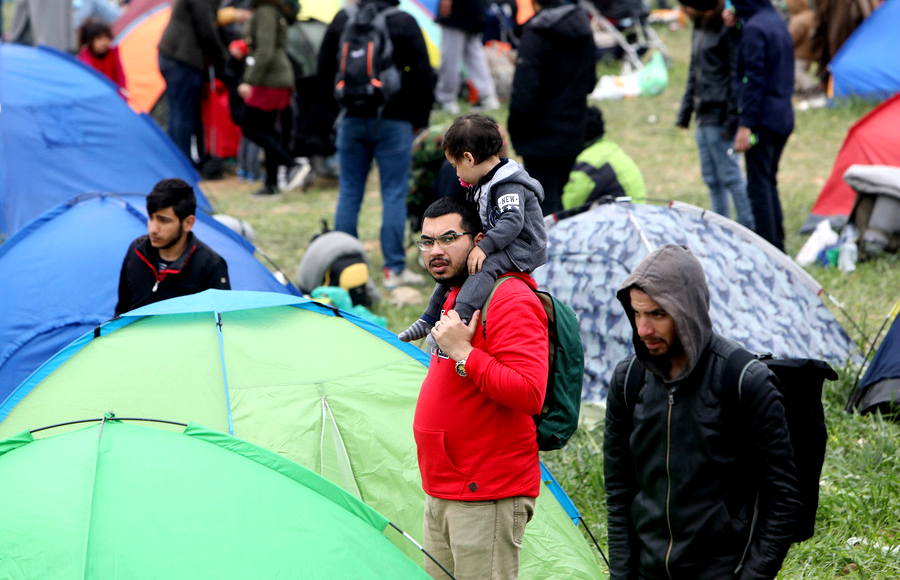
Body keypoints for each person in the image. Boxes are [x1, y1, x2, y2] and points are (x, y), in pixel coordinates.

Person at [603, 243, 801, 580]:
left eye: (657, 314)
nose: (643, 329)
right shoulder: (628, 380)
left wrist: (751, 575)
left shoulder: (743, 381)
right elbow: (620, 490)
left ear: (687, 310)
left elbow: (781, 497)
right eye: (637, 313)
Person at [412, 196, 548, 580]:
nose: (435, 251)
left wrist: (464, 353)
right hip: (443, 490)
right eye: (427, 241)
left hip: (486, 492)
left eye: (449, 238)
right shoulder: (456, 292)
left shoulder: (509, 297)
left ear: (480, 240)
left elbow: (529, 392)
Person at [317, 0, 436, 289]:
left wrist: (337, 110)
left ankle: (344, 266)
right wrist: (418, 118)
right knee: (393, 194)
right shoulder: (403, 21)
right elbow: (424, 73)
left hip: (351, 118)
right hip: (394, 119)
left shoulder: (343, 18)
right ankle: (393, 270)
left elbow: (323, 70)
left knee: (349, 193)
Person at [399, 114, 547, 344]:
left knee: (483, 266)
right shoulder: (483, 182)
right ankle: (429, 317)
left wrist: (484, 247)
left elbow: (512, 221)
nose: (457, 174)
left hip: (521, 246)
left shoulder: (508, 184)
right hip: (501, 241)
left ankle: (458, 319)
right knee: (457, 264)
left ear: (468, 158)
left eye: (455, 166)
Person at [507, 0, 596, 216]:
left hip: (540, 135)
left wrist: (516, 130)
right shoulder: (584, 28)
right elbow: (590, 81)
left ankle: (553, 249)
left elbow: (524, 93)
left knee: (544, 205)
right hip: (573, 129)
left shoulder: (536, 33)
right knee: (556, 197)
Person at [676, 1, 754, 230]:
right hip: (702, 114)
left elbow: (734, 76)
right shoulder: (699, 27)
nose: (685, 10)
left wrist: (732, 119)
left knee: (731, 176)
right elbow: (694, 70)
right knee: (711, 178)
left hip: (719, 115)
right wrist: (685, 111)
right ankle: (720, 229)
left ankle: (747, 229)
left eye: (687, 6)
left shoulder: (727, 29)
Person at [729, 0, 794, 252]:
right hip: (782, 115)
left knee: (758, 186)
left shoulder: (755, 29)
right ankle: (778, 245)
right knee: (768, 181)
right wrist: (735, 29)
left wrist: (746, 124)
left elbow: (752, 78)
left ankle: (768, 249)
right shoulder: (776, 20)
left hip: (763, 119)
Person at [115, 179, 230, 316]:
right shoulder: (136, 251)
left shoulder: (210, 265)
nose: (153, 229)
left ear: (188, 223)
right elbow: (122, 311)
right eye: (151, 218)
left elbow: (220, 325)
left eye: (163, 221)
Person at [157, 0, 250, 164]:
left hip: (174, 56)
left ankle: (177, 160)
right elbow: (207, 29)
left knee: (177, 111)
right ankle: (183, 162)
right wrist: (224, 57)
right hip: (182, 58)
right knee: (183, 114)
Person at [235, 0, 311, 196]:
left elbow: (266, 51)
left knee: (249, 125)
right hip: (274, 77)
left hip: (270, 78)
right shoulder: (268, 9)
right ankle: (271, 183)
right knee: (267, 131)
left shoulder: (266, 10)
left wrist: (248, 80)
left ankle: (292, 164)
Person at [561, 105, 646, 214]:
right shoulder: (608, 148)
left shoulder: (589, 164)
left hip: (622, 221)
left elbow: (567, 205)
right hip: (637, 215)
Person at [433, 0, 500, 114]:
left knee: (451, 57)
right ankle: (487, 96)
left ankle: (446, 99)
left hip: (458, 10)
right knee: (474, 55)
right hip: (475, 8)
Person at [77, 17, 127, 95]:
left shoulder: (113, 54)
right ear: (90, 40)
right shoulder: (85, 57)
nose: (104, 41)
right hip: (94, 96)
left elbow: (120, 76)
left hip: (113, 95)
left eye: (107, 37)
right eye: (99, 38)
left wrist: (122, 94)